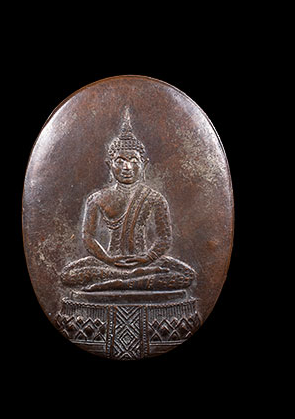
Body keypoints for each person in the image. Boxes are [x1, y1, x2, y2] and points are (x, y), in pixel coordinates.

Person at [60, 108, 195, 293]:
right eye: (120, 160)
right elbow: (88, 237)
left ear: (144, 164)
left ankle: (119, 282)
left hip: (145, 262)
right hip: (109, 262)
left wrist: (147, 258)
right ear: (109, 164)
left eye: (133, 160)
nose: (127, 167)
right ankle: (135, 279)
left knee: (187, 275)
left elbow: (164, 238)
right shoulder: (96, 199)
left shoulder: (155, 198)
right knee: (67, 274)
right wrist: (107, 259)